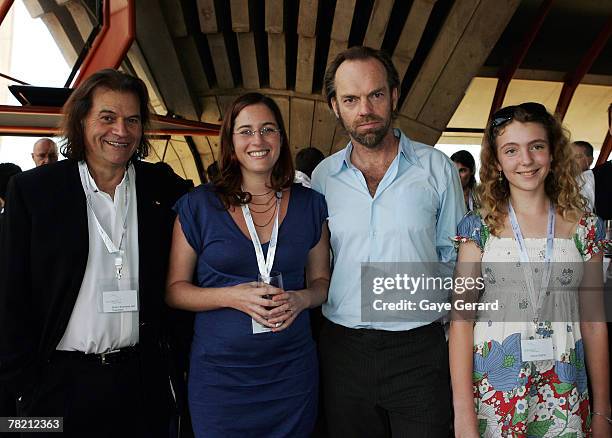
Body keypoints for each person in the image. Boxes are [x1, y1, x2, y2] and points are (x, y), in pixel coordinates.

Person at [0, 69, 190, 437]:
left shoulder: (160, 186)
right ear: (82, 120)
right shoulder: (34, 192)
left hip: (139, 383)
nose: (121, 130)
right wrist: (22, 389)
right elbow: (10, 293)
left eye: (132, 120)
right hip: (54, 387)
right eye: (108, 117)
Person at [311, 46, 465, 436]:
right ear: (335, 106)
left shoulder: (436, 168)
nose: (365, 109)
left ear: (394, 95)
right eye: (351, 99)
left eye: (375, 95)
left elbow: (456, 254)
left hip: (419, 350)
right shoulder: (324, 177)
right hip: (343, 350)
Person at [166, 92, 330, 437]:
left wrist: (302, 299)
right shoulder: (197, 206)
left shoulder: (311, 205)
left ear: (281, 139)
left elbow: (321, 282)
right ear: (230, 141)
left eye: (268, 129)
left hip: (291, 375)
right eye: (246, 131)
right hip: (221, 379)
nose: (258, 140)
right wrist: (231, 296)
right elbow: (175, 291)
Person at [449, 102, 611, 437]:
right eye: (511, 150)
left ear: (552, 153)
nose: (526, 160)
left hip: (563, 391)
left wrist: (603, 413)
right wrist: (464, 416)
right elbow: (461, 324)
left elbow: (594, 323)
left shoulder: (586, 228)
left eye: (536, 146)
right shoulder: (478, 228)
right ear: (496, 161)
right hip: (495, 394)